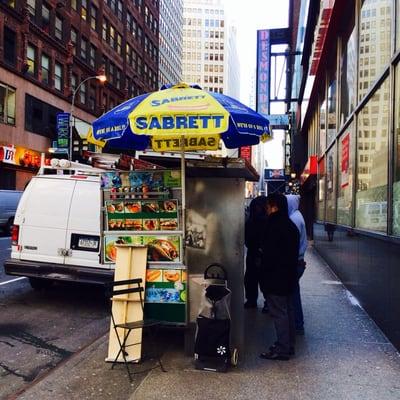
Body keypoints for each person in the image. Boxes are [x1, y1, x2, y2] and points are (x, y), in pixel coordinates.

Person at [259, 193, 299, 360]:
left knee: (279, 313)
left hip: (275, 278)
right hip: (289, 277)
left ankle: (282, 348)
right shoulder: (291, 226)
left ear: (274, 206)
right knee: (288, 311)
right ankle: (288, 345)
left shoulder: (272, 225)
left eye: (267, 206)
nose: (266, 209)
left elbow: (268, 253)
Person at [286, 195, 308, 335]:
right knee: (294, 293)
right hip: (298, 261)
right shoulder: (297, 215)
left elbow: (291, 245)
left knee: (293, 295)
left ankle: (298, 324)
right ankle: (297, 323)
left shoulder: (294, 219)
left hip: (295, 262)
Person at [244, 196, 268, 312]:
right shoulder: (268, 221)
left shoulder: (250, 221)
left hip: (254, 253)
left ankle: (252, 300)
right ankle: (266, 302)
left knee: (251, 279)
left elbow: (247, 239)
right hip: (262, 254)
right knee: (262, 280)